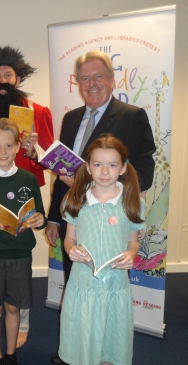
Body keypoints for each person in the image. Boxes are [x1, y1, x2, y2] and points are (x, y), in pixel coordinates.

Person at [46, 51, 155, 364]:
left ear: (111, 80)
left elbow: (145, 166)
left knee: (108, 295)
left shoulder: (132, 115)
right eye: (85, 78)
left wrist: (118, 192)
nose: (91, 84)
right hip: (76, 217)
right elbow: (62, 175)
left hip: (111, 217)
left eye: (98, 77)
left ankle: (103, 350)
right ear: (77, 82)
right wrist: (55, 218)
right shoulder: (69, 118)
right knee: (76, 284)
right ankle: (78, 346)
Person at [0, 44, 54, 346]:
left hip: (21, 185)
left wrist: (35, 150)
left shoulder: (38, 111)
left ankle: (23, 321)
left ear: (17, 79)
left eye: (8, 74)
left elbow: (51, 156)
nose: (2, 79)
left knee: (19, 263)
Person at [58, 135, 145, 365]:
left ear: (123, 168)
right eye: (97, 164)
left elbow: (133, 242)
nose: (104, 172)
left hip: (115, 285)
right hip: (83, 284)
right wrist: (71, 249)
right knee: (84, 342)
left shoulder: (132, 200)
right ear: (87, 167)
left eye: (112, 165)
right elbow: (68, 238)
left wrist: (131, 254)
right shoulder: (76, 198)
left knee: (110, 343)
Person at [0, 119, 47, 365]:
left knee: (13, 308)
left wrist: (38, 220)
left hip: (20, 255)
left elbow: (41, 217)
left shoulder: (28, 179)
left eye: (8, 146)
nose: (2, 152)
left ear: (17, 147)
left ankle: (11, 354)